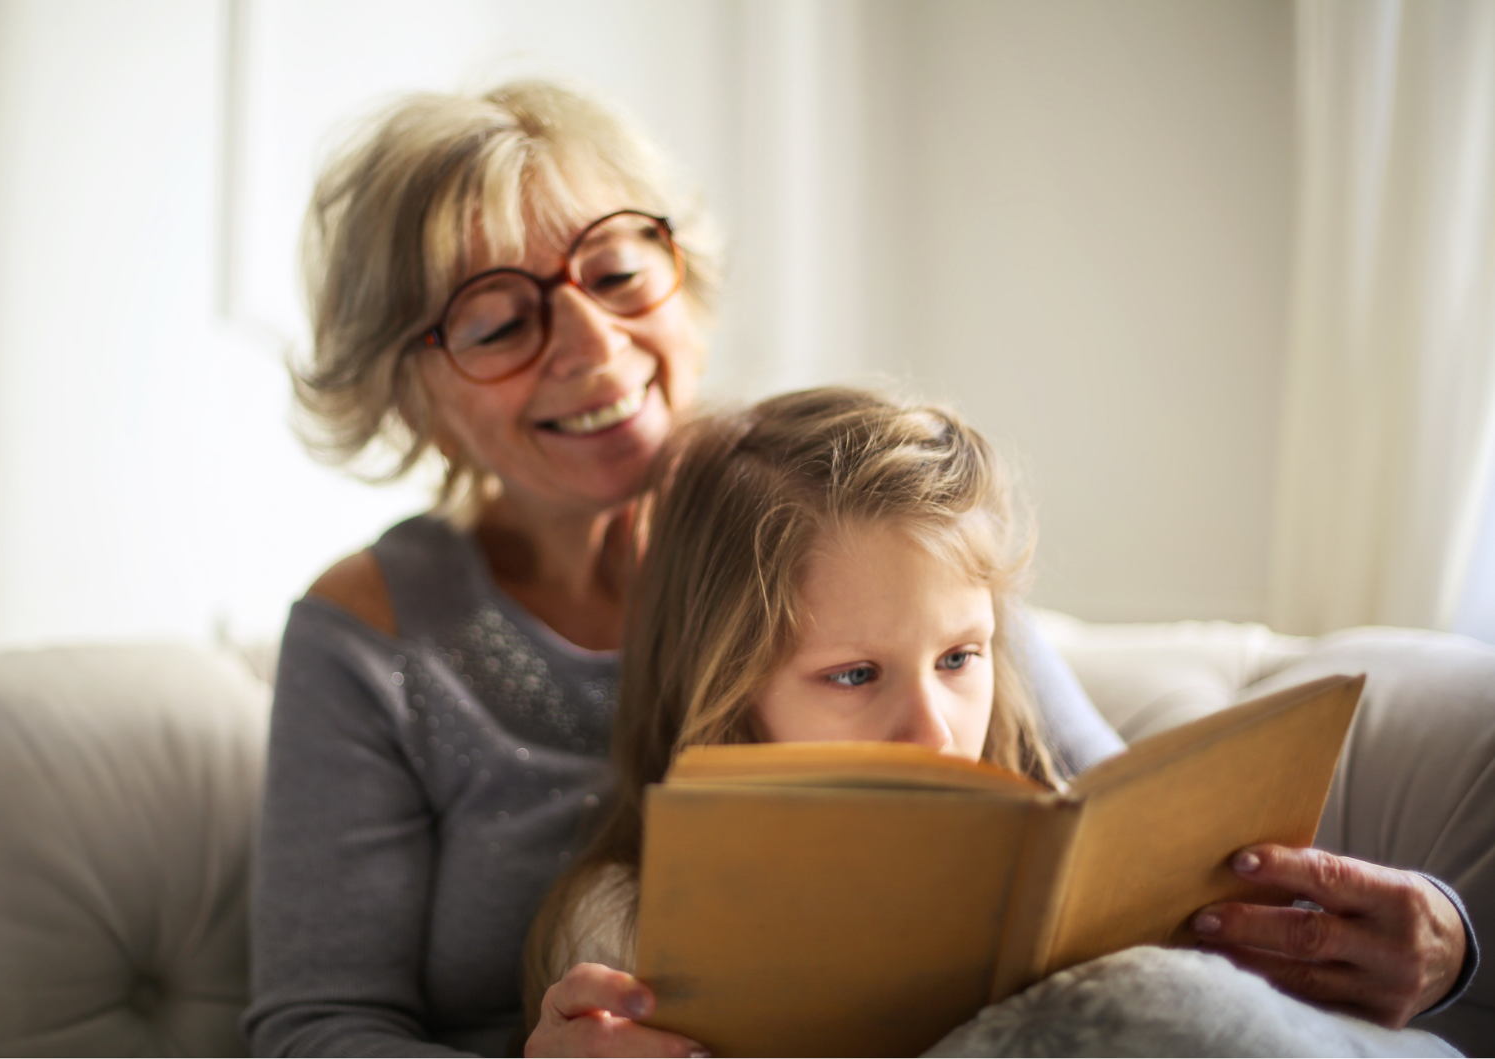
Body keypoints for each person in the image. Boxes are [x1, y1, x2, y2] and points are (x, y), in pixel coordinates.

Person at [243, 81, 1473, 1057]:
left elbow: (1094, 834)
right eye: (499, 320)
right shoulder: (370, 637)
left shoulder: (843, 515)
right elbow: (315, 1029)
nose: (592, 343)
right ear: (404, 382)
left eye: (618, 271)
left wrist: (1446, 943)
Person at [520, 388, 1466, 1058]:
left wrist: (1435, 948)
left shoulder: (1058, 846)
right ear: (729, 692)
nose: (933, 731)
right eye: (855, 674)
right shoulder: (633, 918)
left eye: (960, 658)